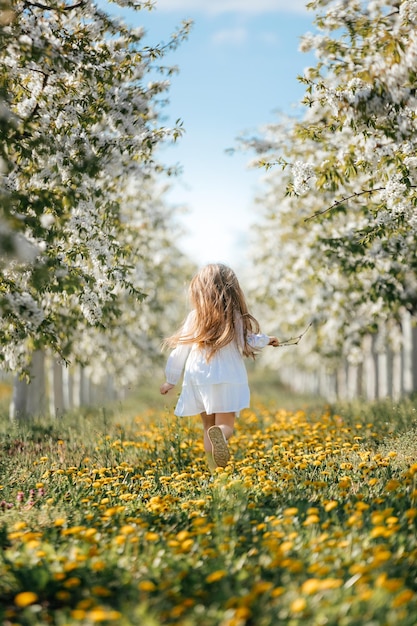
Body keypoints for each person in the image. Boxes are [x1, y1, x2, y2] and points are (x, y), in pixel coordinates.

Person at [160, 263, 279, 470]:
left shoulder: (195, 317)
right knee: (225, 424)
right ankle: (222, 435)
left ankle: (214, 469)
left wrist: (171, 379)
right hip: (227, 375)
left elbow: (181, 349)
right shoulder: (233, 315)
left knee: (208, 426)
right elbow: (247, 340)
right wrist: (267, 340)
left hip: (198, 377)